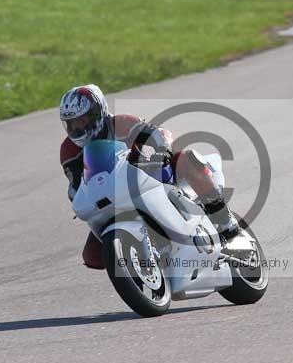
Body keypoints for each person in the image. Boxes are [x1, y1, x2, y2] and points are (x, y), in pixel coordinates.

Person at [59, 84, 240, 269]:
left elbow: (159, 133)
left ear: (98, 112)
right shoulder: (68, 150)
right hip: (112, 196)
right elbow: (75, 185)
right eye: (72, 123)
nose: (77, 127)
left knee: (186, 158)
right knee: (93, 256)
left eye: (82, 119)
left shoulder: (120, 123)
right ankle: (142, 261)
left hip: (147, 174)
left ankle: (223, 218)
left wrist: (163, 151)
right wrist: (78, 198)